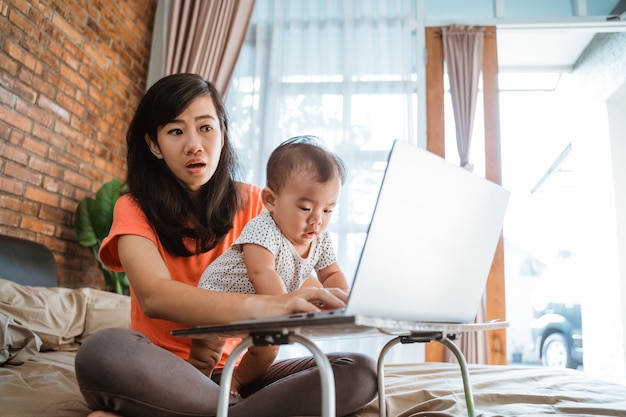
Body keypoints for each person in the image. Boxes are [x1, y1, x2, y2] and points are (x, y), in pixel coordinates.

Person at [74, 73, 377, 417]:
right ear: (154, 145)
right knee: (104, 350)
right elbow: (155, 297)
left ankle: (220, 409)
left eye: (206, 127)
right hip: (165, 371)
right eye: (176, 131)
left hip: (240, 371)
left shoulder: (256, 202)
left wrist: (337, 301)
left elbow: (296, 281)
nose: (194, 145)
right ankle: (232, 410)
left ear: (222, 134)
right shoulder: (132, 208)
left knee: (358, 371)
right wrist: (274, 306)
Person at [192, 136, 350, 395]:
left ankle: (234, 383)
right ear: (271, 200)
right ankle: (192, 389)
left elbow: (331, 273)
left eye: (327, 210)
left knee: (268, 348)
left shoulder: (320, 239)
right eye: (305, 207)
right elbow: (261, 272)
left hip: (265, 304)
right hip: (218, 297)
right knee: (206, 354)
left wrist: (344, 302)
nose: (316, 220)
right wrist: (285, 307)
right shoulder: (264, 228)